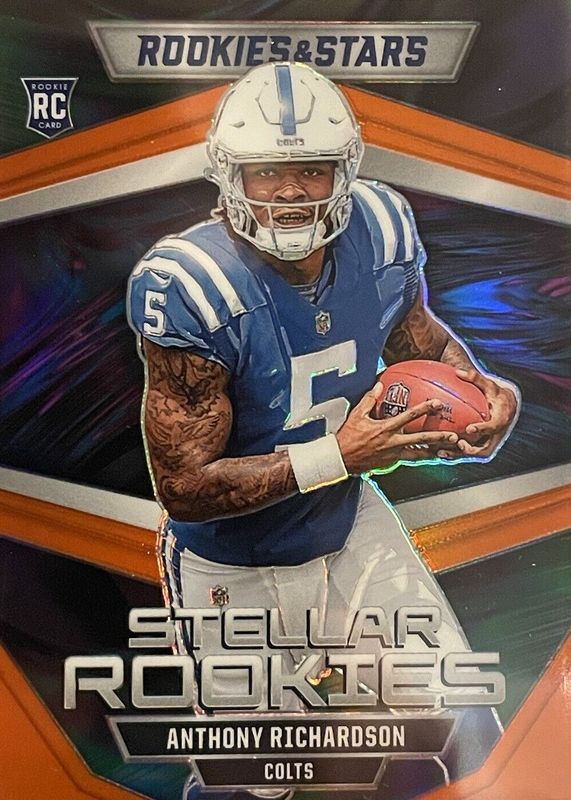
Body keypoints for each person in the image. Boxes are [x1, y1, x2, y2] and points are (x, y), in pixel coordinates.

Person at [127, 62, 519, 800]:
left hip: (347, 519)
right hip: (232, 564)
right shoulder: (193, 285)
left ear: (344, 170)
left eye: (309, 169)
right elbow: (183, 486)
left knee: (463, 718)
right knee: (250, 780)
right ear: (229, 175)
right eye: (266, 172)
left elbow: (417, 339)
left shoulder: (381, 227)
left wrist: (480, 391)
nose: (288, 191)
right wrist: (337, 454)